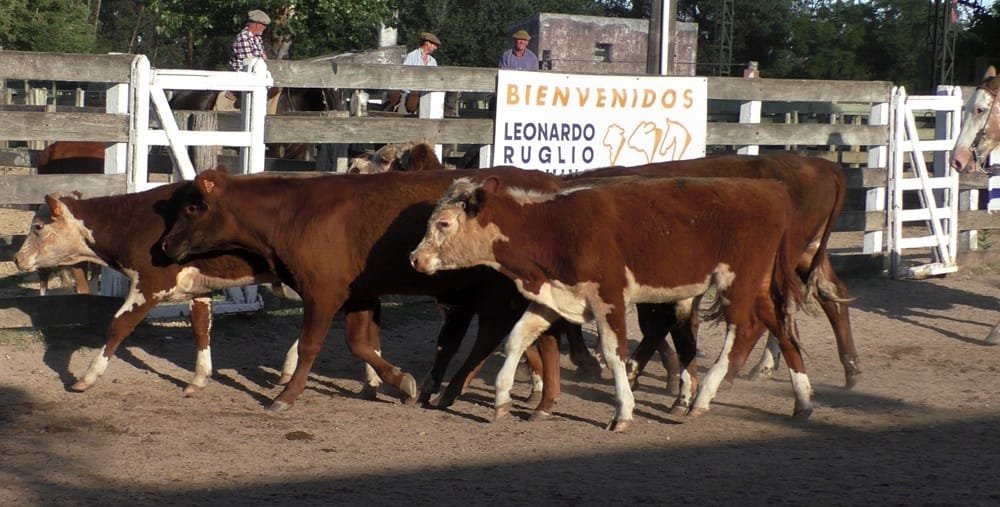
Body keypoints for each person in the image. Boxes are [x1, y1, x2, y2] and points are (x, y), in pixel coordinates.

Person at [385, 32, 441, 113]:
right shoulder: (412, 56)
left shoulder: (432, 61)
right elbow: (404, 75)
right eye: (434, 45)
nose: (435, 48)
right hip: (409, 93)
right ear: (427, 43)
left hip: (425, 93)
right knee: (413, 96)